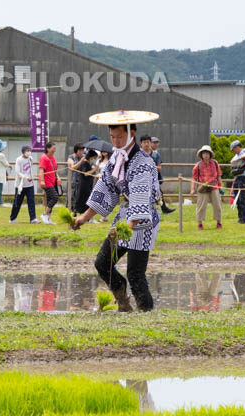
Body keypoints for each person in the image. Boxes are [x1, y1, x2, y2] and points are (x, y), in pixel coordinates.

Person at [71, 111, 162, 313]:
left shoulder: (143, 162)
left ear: (132, 134)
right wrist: (84, 217)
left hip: (143, 219)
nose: (116, 141)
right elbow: (105, 190)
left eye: (120, 137)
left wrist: (128, 227)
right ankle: (123, 302)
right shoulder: (115, 160)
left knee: (136, 273)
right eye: (113, 137)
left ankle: (146, 313)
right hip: (124, 216)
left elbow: (141, 197)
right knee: (102, 263)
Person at [190, 145, 222, 231]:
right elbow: (194, 178)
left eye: (207, 153)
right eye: (204, 153)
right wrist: (192, 189)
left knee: (217, 205)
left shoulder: (215, 163)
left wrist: (220, 186)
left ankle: (218, 222)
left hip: (214, 186)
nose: (206, 155)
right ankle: (200, 223)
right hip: (202, 187)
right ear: (201, 154)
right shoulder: (198, 165)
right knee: (201, 206)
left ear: (210, 154)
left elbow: (218, 176)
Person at [9, 145, 38, 223]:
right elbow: (18, 172)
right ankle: (12, 218)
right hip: (20, 185)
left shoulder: (30, 159)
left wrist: (31, 177)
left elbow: (30, 169)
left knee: (31, 201)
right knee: (17, 202)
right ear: (23, 152)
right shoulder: (19, 160)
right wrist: (26, 177)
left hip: (30, 184)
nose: (29, 152)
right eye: (27, 151)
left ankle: (33, 218)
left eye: (30, 150)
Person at [149, 137, 176, 214]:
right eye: (154, 142)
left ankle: (163, 209)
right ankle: (163, 209)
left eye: (157, 143)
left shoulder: (156, 154)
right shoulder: (143, 153)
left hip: (154, 179)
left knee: (159, 193)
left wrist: (149, 167)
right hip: (145, 178)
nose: (156, 144)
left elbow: (159, 168)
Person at [38, 141, 60, 224]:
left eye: (55, 148)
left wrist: (58, 177)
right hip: (47, 182)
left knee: (50, 199)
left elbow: (55, 170)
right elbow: (41, 169)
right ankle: (44, 215)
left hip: (53, 181)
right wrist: (42, 180)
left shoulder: (52, 158)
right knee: (55, 197)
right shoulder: (43, 157)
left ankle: (48, 219)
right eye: (53, 148)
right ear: (48, 148)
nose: (54, 150)